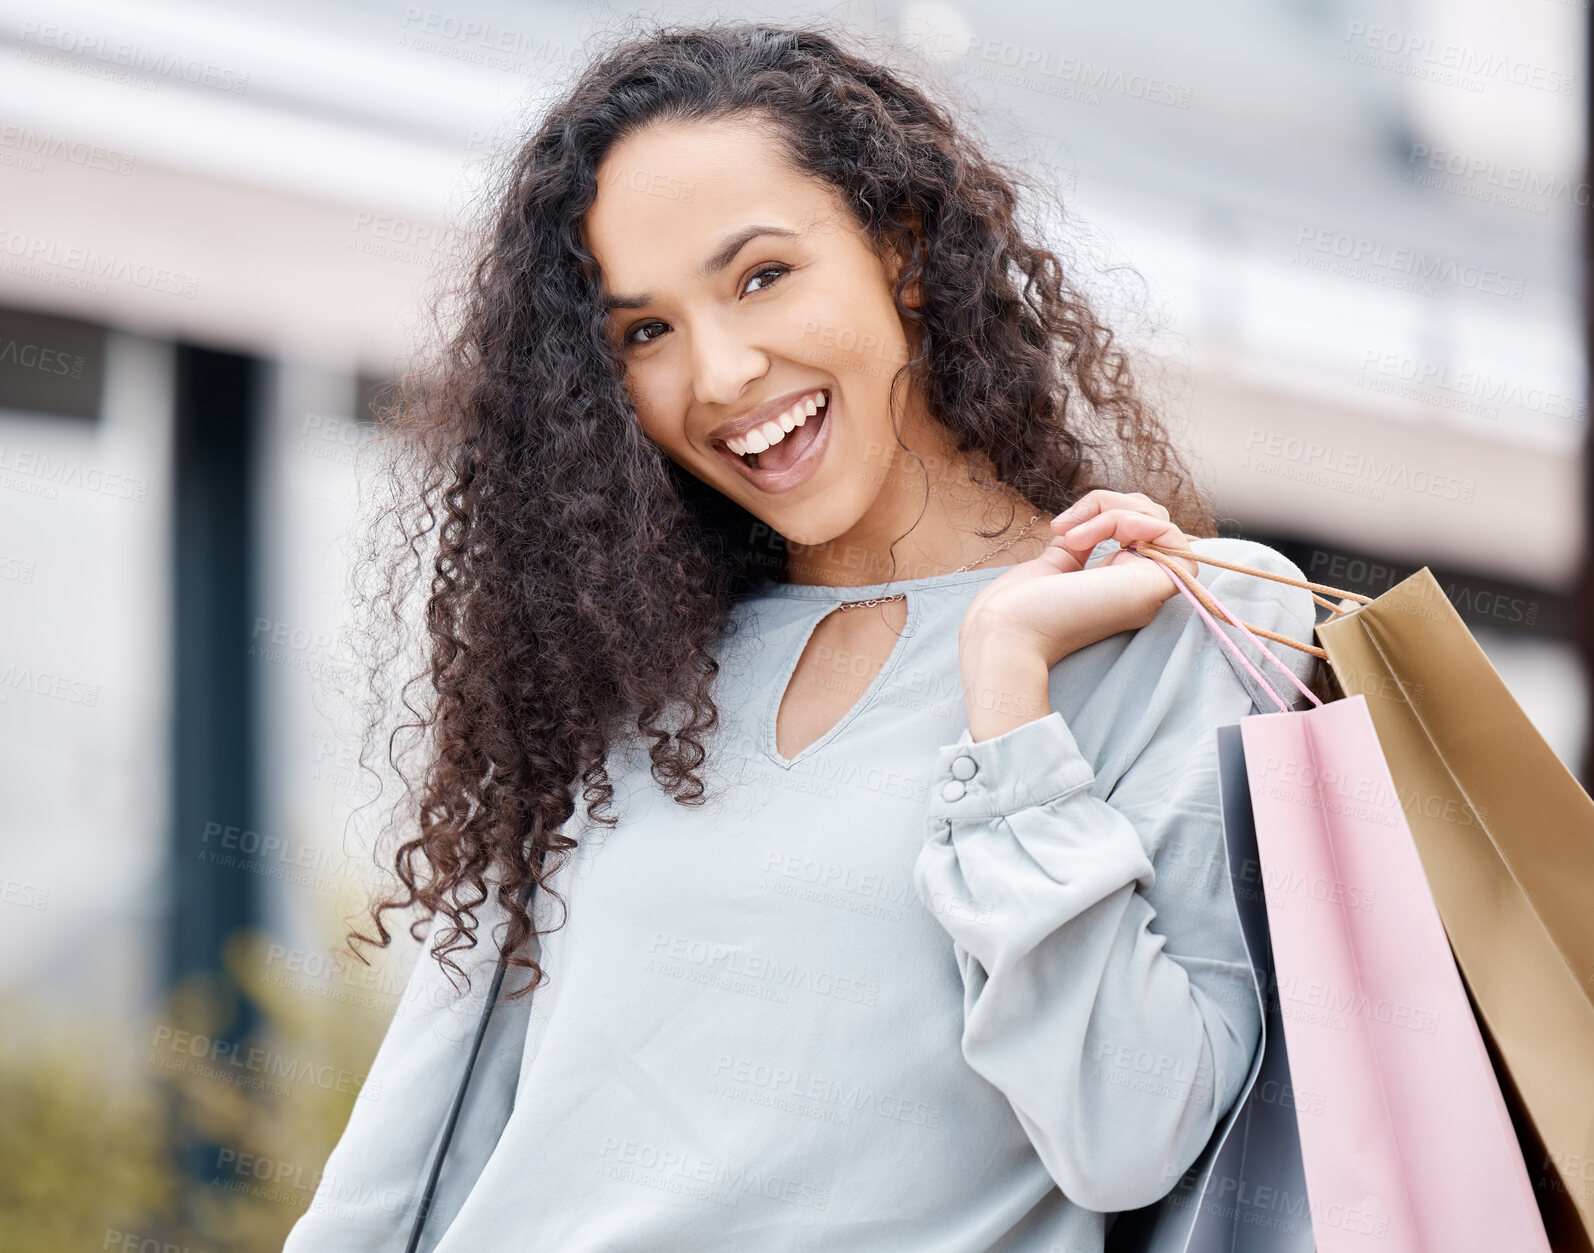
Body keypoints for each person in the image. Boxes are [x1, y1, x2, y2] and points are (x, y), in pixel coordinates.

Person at [284, 18, 1317, 1253]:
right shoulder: (627, 665)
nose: (719, 372)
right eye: (644, 331)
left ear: (904, 249)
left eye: (762, 274)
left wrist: (1006, 687)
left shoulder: (1186, 615)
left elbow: (1132, 1128)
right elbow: (420, 1138)